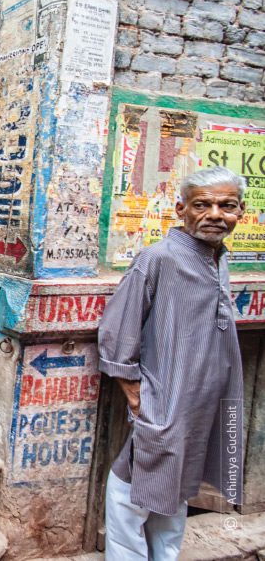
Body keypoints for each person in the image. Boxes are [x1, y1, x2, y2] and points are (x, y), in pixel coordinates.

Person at [98, 165, 246, 560]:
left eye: (226, 205)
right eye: (203, 204)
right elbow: (117, 331)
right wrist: (136, 397)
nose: (216, 214)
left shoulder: (216, 259)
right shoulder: (159, 258)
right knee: (131, 486)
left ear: (241, 213)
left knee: (178, 486)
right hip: (162, 399)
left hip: (200, 403)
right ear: (181, 209)